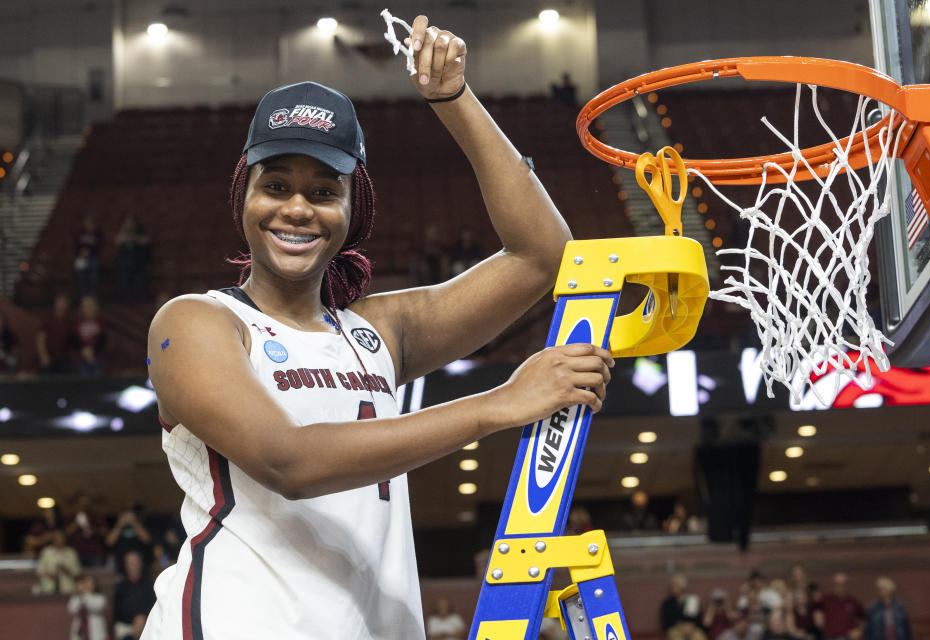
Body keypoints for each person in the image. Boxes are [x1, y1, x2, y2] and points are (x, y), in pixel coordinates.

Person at [140, 15, 611, 640]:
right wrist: (498, 406)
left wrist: (454, 99)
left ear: (352, 208)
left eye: (324, 190)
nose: (298, 209)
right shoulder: (197, 322)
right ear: (242, 199)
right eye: (275, 185)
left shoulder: (378, 332)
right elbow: (288, 461)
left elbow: (542, 256)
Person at [114, 552, 155, 640]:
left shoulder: (151, 584)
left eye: (135, 563)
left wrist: (143, 618)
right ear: (126, 566)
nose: (133, 566)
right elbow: (117, 613)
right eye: (130, 564)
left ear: (140, 564)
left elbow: (154, 606)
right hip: (128, 628)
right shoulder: (120, 587)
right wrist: (134, 622)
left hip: (148, 625)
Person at [114, 215, 153, 302]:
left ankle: (140, 299)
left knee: (139, 278)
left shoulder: (140, 232)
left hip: (138, 262)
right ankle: (124, 300)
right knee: (123, 276)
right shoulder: (123, 232)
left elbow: (146, 241)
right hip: (125, 263)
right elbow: (117, 241)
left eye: (130, 223)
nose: (129, 225)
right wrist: (124, 232)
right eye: (127, 224)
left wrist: (134, 238)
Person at [106, 504, 152, 575]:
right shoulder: (117, 526)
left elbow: (147, 539)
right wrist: (119, 524)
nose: (127, 517)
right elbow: (109, 542)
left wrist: (134, 523)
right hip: (122, 564)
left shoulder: (140, 524)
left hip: (140, 564)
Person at [34, 529, 81, 594]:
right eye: (56, 538)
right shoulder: (46, 552)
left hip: (67, 588)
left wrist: (67, 570)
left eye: (61, 538)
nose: (59, 540)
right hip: (48, 588)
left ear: (64, 539)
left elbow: (77, 572)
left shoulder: (71, 553)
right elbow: (39, 570)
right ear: (53, 540)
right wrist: (48, 574)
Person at [820, 573, 865, 640]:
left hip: (847, 637)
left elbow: (864, 618)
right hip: (830, 637)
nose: (839, 587)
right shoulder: (826, 600)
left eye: (842, 584)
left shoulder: (853, 601)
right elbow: (812, 610)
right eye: (837, 584)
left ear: (846, 585)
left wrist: (860, 630)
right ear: (833, 585)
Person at [36, 293, 73, 374]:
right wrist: (43, 355)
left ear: (67, 306)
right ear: (55, 304)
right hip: (49, 357)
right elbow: (40, 339)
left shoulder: (69, 321)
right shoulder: (47, 320)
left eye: (64, 303)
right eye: (59, 303)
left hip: (64, 359)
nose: (61, 306)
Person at [68, 574, 110, 640]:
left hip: (97, 634)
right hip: (80, 633)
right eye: (85, 583)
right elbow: (72, 609)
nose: (87, 585)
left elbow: (94, 606)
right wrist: (79, 594)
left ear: (94, 585)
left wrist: (84, 594)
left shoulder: (100, 598)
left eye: (89, 583)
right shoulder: (77, 597)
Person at [74, 296, 107, 376]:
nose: (88, 308)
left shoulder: (100, 321)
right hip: (82, 356)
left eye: (90, 306)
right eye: (85, 306)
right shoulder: (78, 322)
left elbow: (103, 340)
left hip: (97, 355)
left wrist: (92, 351)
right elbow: (75, 340)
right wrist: (84, 350)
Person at [75, 216, 102, 299]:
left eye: (90, 224)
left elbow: (99, 246)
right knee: (82, 278)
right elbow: (77, 246)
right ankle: (84, 298)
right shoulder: (81, 233)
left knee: (93, 278)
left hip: (93, 257)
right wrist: (81, 253)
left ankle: (93, 298)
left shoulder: (98, 234)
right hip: (82, 258)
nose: (88, 226)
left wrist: (89, 252)